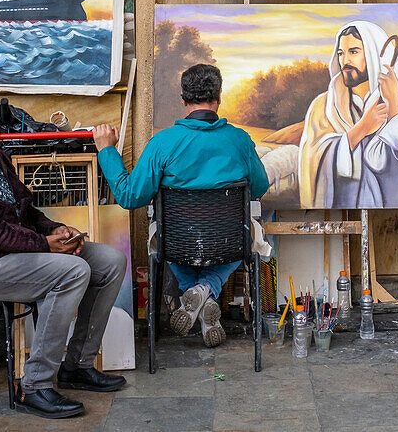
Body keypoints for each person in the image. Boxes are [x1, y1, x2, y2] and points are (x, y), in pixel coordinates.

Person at [0, 80, 128, 419]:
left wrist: (53, 229)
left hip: (15, 252)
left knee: (110, 261)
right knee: (73, 272)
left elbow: (23, 208)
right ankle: (36, 384)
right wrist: (45, 245)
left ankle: (76, 365)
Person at [92, 64, 268, 348]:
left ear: (183, 99)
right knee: (246, 236)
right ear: (219, 96)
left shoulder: (163, 143)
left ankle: (197, 294)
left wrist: (106, 151)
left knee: (167, 238)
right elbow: (259, 188)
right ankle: (205, 291)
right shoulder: (239, 140)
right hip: (228, 242)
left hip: (177, 243)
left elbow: (129, 196)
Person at [298, 21, 398, 208]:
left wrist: (394, 106)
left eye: (353, 52)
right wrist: (361, 129)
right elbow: (311, 161)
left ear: (374, 54)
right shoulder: (323, 106)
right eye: (340, 53)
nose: (345, 61)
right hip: (344, 217)